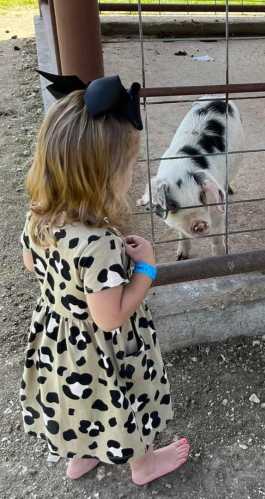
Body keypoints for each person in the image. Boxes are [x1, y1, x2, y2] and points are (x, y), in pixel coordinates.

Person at [19, 72, 189, 485]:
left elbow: (30, 263)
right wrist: (145, 270)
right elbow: (110, 317)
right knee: (127, 399)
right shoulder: (98, 244)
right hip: (106, 350)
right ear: (104, 177)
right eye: (128, 166)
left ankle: (81, 457)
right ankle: (143, 465)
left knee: (79, 404)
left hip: (59, 340)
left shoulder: (39, 214)